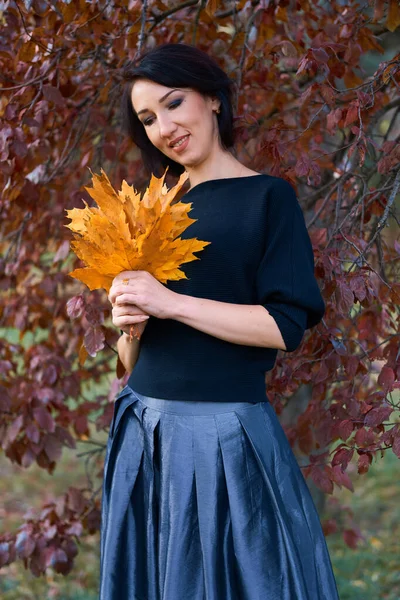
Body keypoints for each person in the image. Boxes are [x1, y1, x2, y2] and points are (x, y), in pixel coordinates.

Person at [99, 43, 339, 600]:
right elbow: (131, 357)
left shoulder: (267, 198)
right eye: (148, 119)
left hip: (222, 435)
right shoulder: (155, 207)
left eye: (174, 103)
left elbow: (285, 327)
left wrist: (170, 302)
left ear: (212, 98)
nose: (164, 127)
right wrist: (127, 324)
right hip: (142, 430)